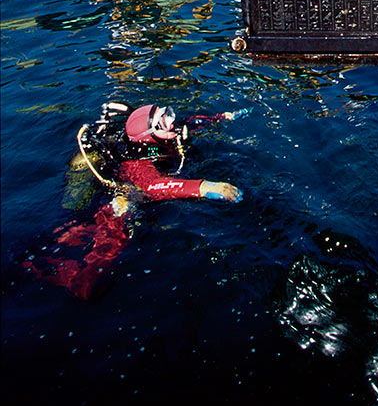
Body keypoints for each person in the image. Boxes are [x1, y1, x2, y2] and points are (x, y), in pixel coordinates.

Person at [25, 101, 243, 300]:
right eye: (163, 121)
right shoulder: (138, 163)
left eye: (168, 113)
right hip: (123, 194)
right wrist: (204, 187)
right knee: (117, 224)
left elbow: (192, 123)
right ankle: (75, 277)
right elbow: (154, 187)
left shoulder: (165, 136)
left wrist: (223, 117)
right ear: (149, 136)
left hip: (139, 176)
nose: (172, 121)